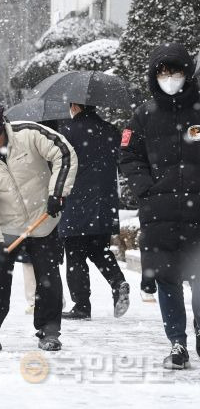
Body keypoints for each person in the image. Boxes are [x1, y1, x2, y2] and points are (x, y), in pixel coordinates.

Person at [0, 101, 77, 352]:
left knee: (47, 275)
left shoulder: (30, 134)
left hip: (42, 218)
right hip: (6, 225)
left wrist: (57, 193)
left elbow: (64, 153)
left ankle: (49, 330)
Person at [120, 42, 200, 370]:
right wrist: (146, 189)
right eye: (163, 72)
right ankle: (177, 343)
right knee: (167, 281)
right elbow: (129, 155)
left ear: (187, 72)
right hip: (159, 213)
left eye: (175, 71)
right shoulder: (144, 115)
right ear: (155, 76)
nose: (170, 78)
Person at [59, 103, 130, 320]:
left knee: (75, 254)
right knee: (99, 249)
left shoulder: (67, 132)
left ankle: (81, 305)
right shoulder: (111, 130)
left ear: (75, 106)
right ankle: (118, 282)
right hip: (105, 201)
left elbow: (60, 164)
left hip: (76, 201)